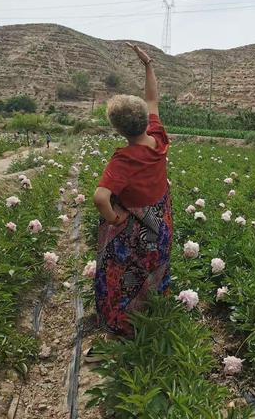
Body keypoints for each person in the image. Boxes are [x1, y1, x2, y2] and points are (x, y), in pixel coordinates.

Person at [88, 44, 172, 358]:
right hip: (160, 217)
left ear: (118, 129)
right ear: (143, 121)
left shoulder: (123, 159)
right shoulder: (158, 136)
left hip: (135, 225)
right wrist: (148, 65)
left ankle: (124, 322)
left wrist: (113, 218)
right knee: (154, 262)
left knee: (122, 269)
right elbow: (152, 98)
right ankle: (152, 307)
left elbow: (100, 197)